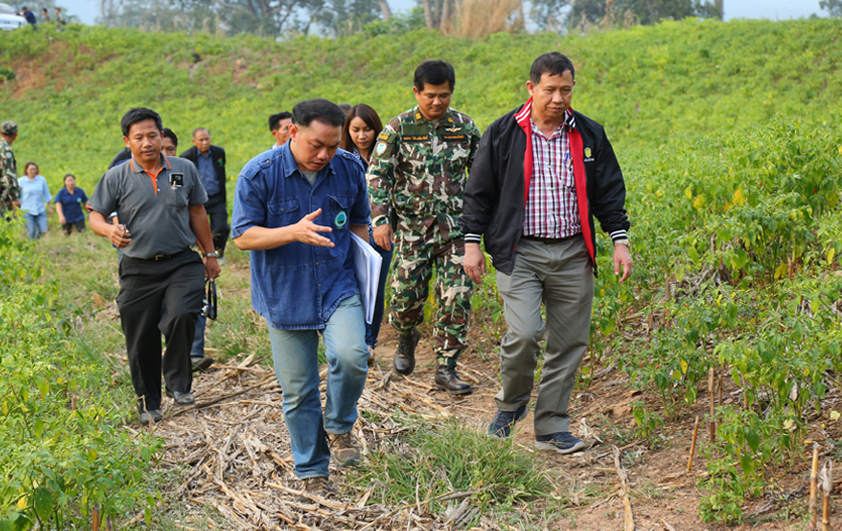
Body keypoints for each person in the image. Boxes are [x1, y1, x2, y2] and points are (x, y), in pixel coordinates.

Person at [461, 52, 633, 454]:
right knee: (523, 333)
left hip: (573, 251)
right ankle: (510, 406)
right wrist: (471, 245)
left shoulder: (589, 134)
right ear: (532, 88)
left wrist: (619, 241)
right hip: (520, 251)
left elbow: (609, 192)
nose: (558, 98)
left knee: (569, 342)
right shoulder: (503, 133)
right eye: (550, 89)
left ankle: (552, 427)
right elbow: (479, 193)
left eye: (566, 90)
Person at [232, 99, 371, 497]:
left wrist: (368, 277)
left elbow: (359, 222)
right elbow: (243, 236)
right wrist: (291, 231)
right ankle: (313, 471)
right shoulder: (259, 173)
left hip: (337, 284)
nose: (324, 155)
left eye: (332, 145)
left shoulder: (347, 167)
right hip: (285, 292)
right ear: (292, 132)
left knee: (351, 356)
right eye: (316, 145)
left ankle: (340, 424)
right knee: (299, 391)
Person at [87, 107, 220, 425]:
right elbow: (95, 215)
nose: (147, 142)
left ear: (161, 136)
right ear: (127, 141)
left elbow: (198, 213)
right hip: (138, 266)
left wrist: (210, 254)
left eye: (152, 135)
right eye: (139, 137)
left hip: (181, 261)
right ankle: (148, 402)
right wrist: (109, 230)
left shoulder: (183, 169)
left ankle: (178, 382)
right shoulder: (117, 176)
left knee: (183, 313)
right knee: (140, 334)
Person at [367, 60, 481, 395]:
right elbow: (377, 176)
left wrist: (484, 224)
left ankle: (446, 367)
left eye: (443, 95)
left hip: (455, 231)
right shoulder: (398, 129)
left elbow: (484, 178)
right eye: (430, 95)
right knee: (405, 299)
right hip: (412, 231)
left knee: (455, 298)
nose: (437, 102)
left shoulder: (465, 128)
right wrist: (380, 220)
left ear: (452, 92)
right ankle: (406, 335)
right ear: (416, 92)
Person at [340, 104, 392, 356]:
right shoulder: (341, 158)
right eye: (355, 130)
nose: (361, 136)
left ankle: (369, 341)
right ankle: (351, 339)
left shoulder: (386, 157)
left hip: (382, 232)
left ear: (376, 129)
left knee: (375, 287)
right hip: (350, 232)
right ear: (347, 130)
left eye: (367, 129)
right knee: (352, 286)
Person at [180, 128, 229, 265]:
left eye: (207, 138)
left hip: (216, 197)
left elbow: (221, 173)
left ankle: (218, 254)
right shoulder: (186, 157)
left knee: (221, 227)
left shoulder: (219, 152)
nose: (205, 142)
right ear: (194, 142)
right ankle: (202, 254)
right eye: (201, 140)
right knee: (197, 229)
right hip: (197, 199)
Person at [18, 162, 53, 239]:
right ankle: (31, 247)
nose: (33, 171)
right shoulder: (21, 181)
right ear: (26, 170)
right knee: (31, 231)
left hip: (40, 209)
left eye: (34, 169)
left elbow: (47, 194)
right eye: (31, 169)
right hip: (27, 210)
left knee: (44, 230)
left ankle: (36, 241)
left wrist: (50, 207)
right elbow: (17, 197)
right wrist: (17, 209)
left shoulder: (41, 179)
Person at [0, 121, 22, 219]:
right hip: (4, 196)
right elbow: (9, 174)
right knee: (6, 225)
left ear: (1, 132)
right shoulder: (6, 149)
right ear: (16, 134)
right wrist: (14, 198)